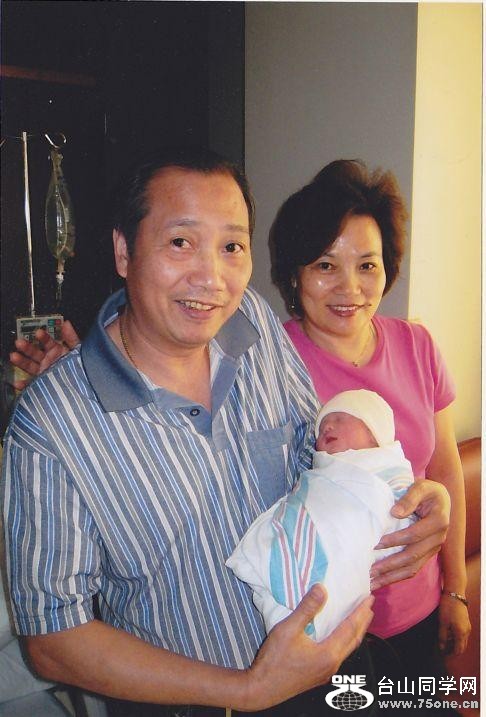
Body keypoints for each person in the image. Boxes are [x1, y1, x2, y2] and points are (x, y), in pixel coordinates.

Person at [2, 148, 450, 717]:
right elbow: (51, 640)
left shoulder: (253, 324)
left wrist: (411, 499)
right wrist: (246, 689)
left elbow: (319, 457)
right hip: (193, 703)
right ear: (123, 250)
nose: (211, 278)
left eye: (232, 247)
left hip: (337, 664)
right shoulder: (51, 423)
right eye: (180, 242)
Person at [269, 159, 470, 713]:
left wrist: (454, 589)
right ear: (294, 274)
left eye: (367, 265)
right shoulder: (271, 363)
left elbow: (445, 470)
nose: (350, 288)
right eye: (325, 265)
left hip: (419, 612)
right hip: (326, 632)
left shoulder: (417, 346)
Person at [227, 389, 415, 643]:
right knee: (275, 564)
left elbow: (404, 515)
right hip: (305, 527)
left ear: (373, 432)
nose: (327, 427)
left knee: (319, 579)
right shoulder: (320, 474)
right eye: (322, 425)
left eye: (339, 418)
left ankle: (299, 620)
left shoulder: (386, 467)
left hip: (344, 546)